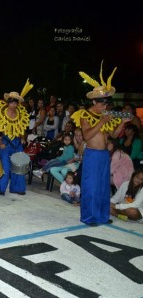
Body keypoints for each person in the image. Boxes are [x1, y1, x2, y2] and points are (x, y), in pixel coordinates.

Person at [71, 61, 130, 226]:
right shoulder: (84, 114)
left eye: (107, 103)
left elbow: (114, 135)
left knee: (103, 187)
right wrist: (102, 121)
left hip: (105, 155)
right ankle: (89, 217)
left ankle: (103, 216)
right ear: (94, 102)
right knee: (91, 187)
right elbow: (87, 136)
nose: (105, 105)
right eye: (103, 103)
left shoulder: (105, 115)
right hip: (92, 155)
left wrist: (122, 123)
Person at [0, 79, 32, 196]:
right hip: (5, 142)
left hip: (17, 143)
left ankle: (17, 188)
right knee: (5, 165)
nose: (14, 105)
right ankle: (1, 188)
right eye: (12, 102)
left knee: (19, 165)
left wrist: (23, 137)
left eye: (16, 103)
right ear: (8, 103)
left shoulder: (21, 114)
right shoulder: (1, 113)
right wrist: (0, 143)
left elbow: (23, 129)